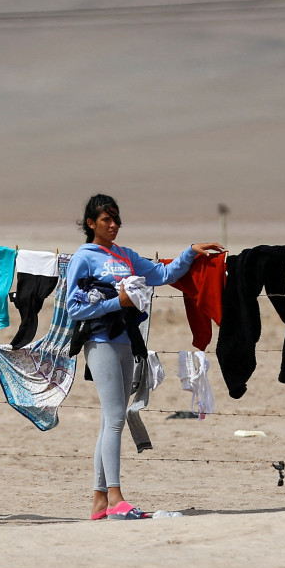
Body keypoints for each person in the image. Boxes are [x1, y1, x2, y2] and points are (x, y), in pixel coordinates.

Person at [66, 193, 222, 520]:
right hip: (99, 340)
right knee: (115, 419)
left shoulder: (124, 256)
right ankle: (116, 497)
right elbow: (75, 307)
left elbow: (161, 275)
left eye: (117, 219)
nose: (113, 225)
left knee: (112, 419)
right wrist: (117, 302)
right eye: (106, 220)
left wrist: (190, 252)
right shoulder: (84, 257)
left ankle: (99, 502)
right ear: (91, 223)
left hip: (127, 340)